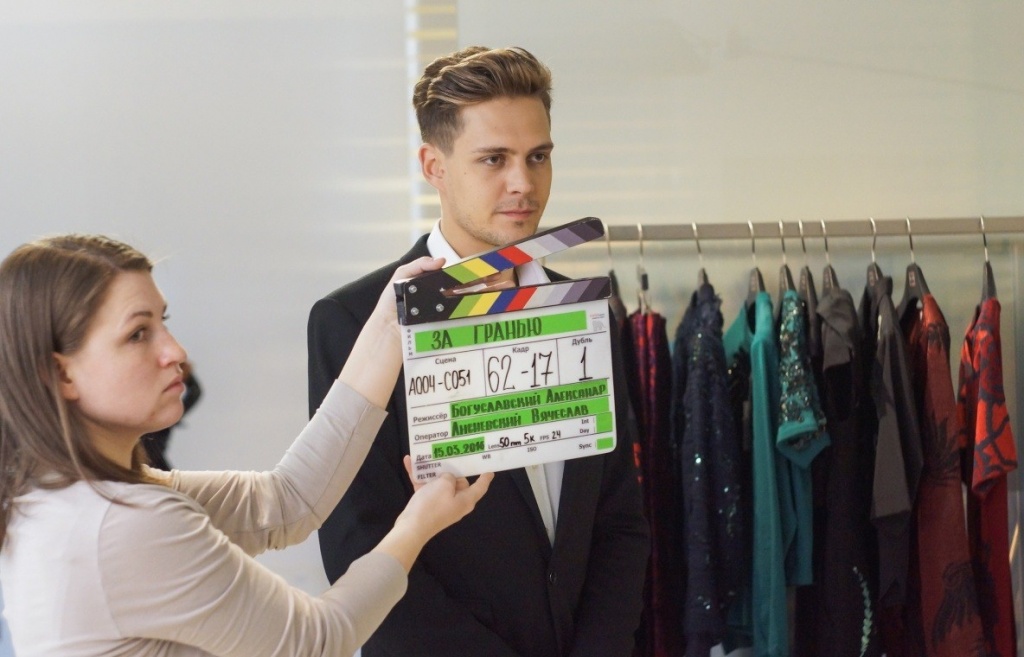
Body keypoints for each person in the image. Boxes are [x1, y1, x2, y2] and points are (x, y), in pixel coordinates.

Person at [308, 46, 650, 657]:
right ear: (433, 165)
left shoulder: (583, 310)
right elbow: (356, 542)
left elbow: (619, 516)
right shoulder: (354, 321)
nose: (524, 183)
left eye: (538, 156)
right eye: (494, 159)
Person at [0, 234, 493, 657]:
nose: (175, 351)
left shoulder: (66, 497)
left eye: (163, 322)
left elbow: (286, 501)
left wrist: (389, 322)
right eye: (138, 334)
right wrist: (415, 527)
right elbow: (315, 640)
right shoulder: (121, 526)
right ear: (60, 373)